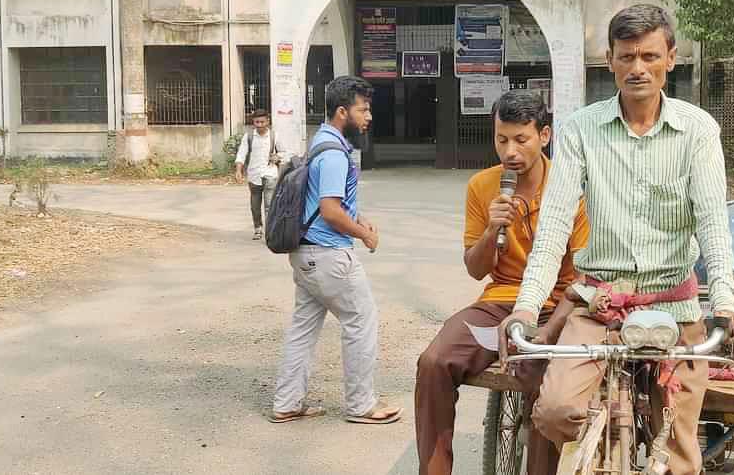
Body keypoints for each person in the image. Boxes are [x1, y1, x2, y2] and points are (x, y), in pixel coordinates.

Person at [498, 4, 734, 475]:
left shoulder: (698, 130)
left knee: (680, 453)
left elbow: (713, 226)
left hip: (675, 310)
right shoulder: (581, 129)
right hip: (601, 302)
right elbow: (554, 227)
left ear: (671, 59)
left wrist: (724, 301)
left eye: (649, 56)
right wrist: (524, 306)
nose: (637, 68)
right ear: (610, 61)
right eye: (626, 57)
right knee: (556, 409)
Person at [415, 90, 590, 475]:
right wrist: (492, 228)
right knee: (434, 362)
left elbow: (582, 277)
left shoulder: (572, 188)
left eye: (521, 139)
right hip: (500, 298)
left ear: (544, 136)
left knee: (543, 378)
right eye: (501, 139)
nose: (510, 151)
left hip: (557, 305)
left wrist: (549, 330)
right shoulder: (482, 186)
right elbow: (476, 270)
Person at [269, 75, 402, 425]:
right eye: (363, 109)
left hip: (306, 255)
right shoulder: (334, 154)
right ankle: (361, 405)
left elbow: (328, 202)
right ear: (343, 112)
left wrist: (359, 218)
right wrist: (364, 235)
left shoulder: (322, 143)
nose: (369, 116)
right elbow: (329, 210)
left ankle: (287, 402)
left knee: (303, 328)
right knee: (361, 320)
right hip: (329, 255)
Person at [234, 109, 281, 240]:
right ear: (253, 122)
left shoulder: (274, 136)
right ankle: (258, 228)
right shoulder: (248, 137)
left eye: (262, 122)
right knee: (255, 205)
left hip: (270, 173)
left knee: (269, 205)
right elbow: (241, 154)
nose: (260, 125)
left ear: (268, 121)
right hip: (254, 175)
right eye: (257, 122)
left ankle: (270, 232)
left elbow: (284, 152)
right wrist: (238, 170)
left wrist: (278, 157)